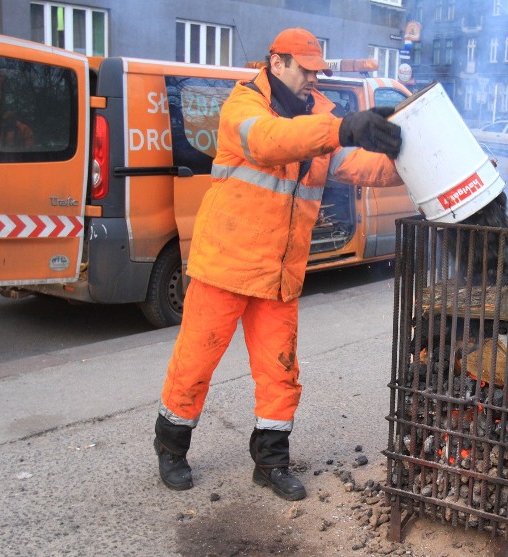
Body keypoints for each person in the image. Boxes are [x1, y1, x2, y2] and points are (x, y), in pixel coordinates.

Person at [153, 28, 403, 499]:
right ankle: (171, 448)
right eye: (305, 69)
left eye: (316, 71)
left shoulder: (318, 119)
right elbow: (270, 142)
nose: (313, 78)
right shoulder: (243, 107)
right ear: (276, 62)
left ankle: (270, 462)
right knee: (195, 363)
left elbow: (362, 165)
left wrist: (416, 159)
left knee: (280, 373)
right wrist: (342, 127)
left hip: (278, 274)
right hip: (225, 265)